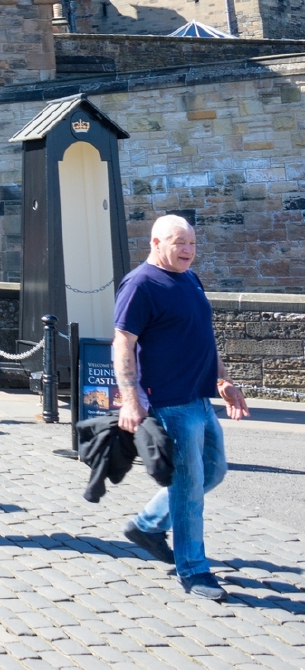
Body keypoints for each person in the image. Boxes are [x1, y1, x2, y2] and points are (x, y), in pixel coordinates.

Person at [113, 215, 251, 601]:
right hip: (170, 402)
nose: (188, 250)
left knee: (213, 469)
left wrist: (223, 380)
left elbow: (202, 336)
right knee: (188, 488)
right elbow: (122, 342)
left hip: (199, 397)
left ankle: (148, 525)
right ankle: (194, 570)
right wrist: (130, 399)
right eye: (179, 243)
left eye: (191, 243)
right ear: (156, 242)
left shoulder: (190, 278)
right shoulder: (140, 283)